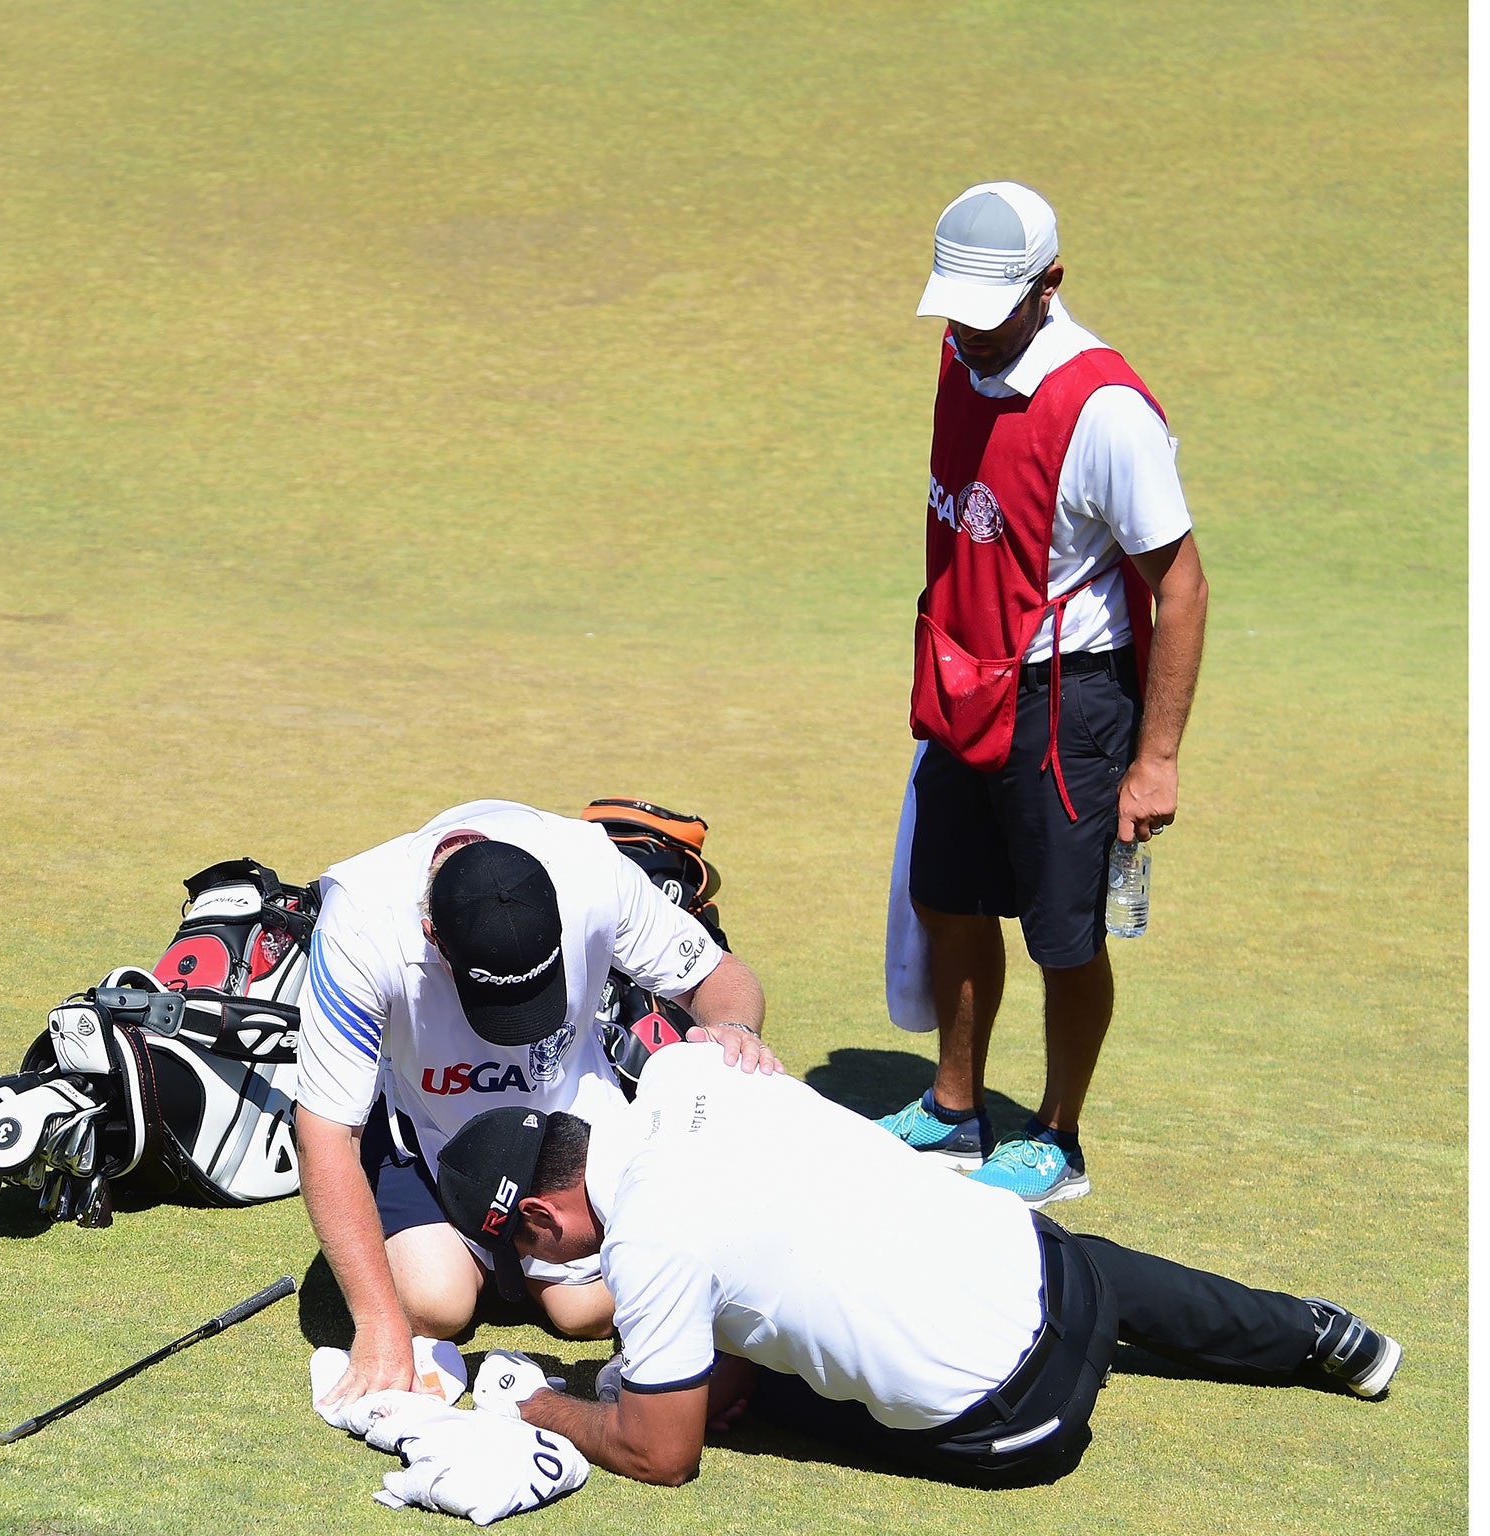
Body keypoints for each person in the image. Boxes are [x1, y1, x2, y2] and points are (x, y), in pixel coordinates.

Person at [435, 1043, 1402, 1488]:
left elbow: (661, 1453)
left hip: (1019, 1431)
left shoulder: (647, 1246)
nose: (542, 1274)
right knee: (1081, 1261)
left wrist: (535, 1403)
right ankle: (1329, 1335)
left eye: (527, 1253)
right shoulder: (692, 1072)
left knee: (725, 1402)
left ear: (536, 1214)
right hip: (1057, 1278)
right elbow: (721, 1049)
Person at [878, 182, 1211, 1205]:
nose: (966, 339)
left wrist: (1153, 763)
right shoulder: (959, 357)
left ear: (1047, 286)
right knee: (945, 898)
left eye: (986, 318)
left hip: (1067, 703)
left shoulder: (1102, 410)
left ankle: (1057, 1137)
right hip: (962, 675)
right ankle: (950, 1110)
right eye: (953, 316)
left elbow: (1183, 585)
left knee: (1062, 932)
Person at [298, 799, 777, 1407]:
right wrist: (379, 1327)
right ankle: (487, 1264)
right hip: (431, 1132)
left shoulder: (590, 870)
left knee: (590, 1313)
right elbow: (323, 1132)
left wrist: (736, 1029)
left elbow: (718, 977)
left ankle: (528, 1269)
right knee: (431, 1304)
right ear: (431, 935)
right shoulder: (362, 921)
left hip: (570, 1132)